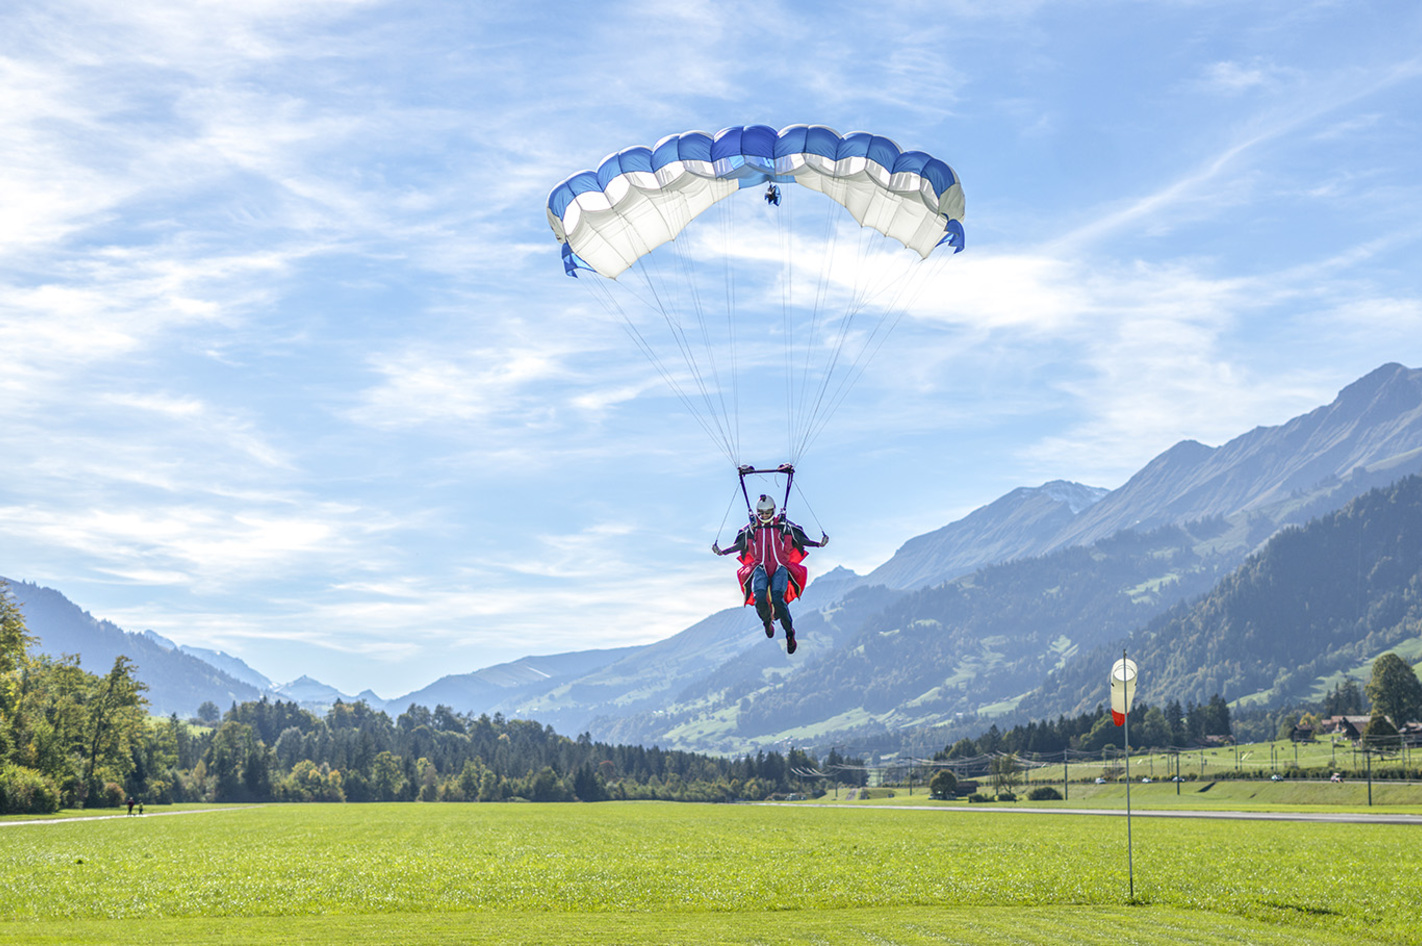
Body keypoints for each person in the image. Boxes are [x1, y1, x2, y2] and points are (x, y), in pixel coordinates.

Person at [713, 494, 827, 654]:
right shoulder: (752, 529)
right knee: (759, 596)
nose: (764, 516)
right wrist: (723, 552)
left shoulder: (783, 526)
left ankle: (789, 634)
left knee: (777, 599)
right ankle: (767, 621)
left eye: (767, 512)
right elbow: (739, 545)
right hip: (760, 566)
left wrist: (818, 544)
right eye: (761, 513)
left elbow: (800, 539)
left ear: (773, 511)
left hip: (781, 567)